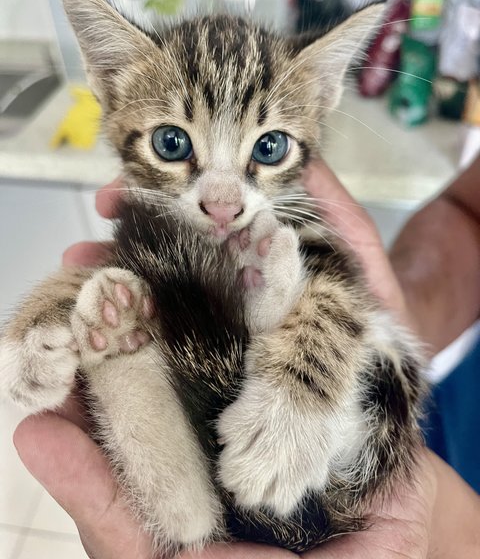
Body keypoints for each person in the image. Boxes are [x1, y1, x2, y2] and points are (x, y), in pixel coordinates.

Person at [13, 158, 480, 558]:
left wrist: (305, 384)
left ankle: (147, 403)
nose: (224, 201)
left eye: (266, 147)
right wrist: (393, 314)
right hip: (430, 436)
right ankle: (156, 417)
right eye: (175, 144)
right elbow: (467, 212)